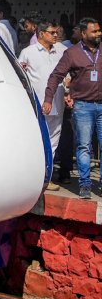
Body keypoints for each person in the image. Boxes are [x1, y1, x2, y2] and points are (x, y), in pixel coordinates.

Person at [44, 18, 102, 199]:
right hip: (83, 106)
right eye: (94, 31)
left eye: (99, 30)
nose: (98, 33)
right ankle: (85, 185)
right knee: (84, 146)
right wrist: (48, 99)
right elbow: (56, 76)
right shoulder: (72, 53)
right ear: (83, 34)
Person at [20, 20, 69, 191]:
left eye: (56, 32)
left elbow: (68, 74)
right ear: (41, 34)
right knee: (38, 138)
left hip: (57, 100)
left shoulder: (62, 51)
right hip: (38, 102)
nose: (56, 35)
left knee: (54, 139)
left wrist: (68, 87)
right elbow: (21, 76)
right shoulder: (28, 52)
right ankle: (35, 176)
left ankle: (46, 177)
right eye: (52, 32)